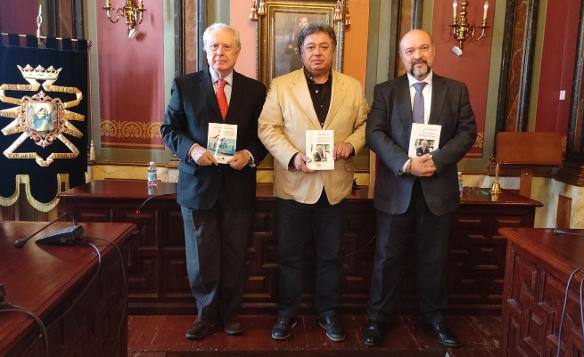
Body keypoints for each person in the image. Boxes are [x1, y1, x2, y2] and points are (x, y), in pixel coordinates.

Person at [363, 29, 476, 348]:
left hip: (438, 191)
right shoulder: (386, 91)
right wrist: (406, 163)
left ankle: (435, 319)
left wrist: (436, 160)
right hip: (396, 189)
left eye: (423, 48)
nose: (418, 56)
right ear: (402, 57)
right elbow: (374, 133)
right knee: (386, 259)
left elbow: (467, 132)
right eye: (410, 51)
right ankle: (377, 320)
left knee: (434, 259)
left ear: (433, 51)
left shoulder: (456, 91)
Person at [258, 23, 368, 342]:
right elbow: (267, 128)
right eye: (310, 47)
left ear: (333, 51)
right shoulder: (281, 86)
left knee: (331, 256)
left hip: (334, 187)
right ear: (301, 51)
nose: (317, 52)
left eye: (324, 46)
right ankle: (286, 314)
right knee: (289, 255)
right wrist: (292, 156)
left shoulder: (352, 86)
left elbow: (364, 125)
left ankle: (328, 313)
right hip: (294, 185)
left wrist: (351, 145)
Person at [160, 23, 267, 340]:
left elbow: (264, 137)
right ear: (205, 51)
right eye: (213, 47)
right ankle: (205, 316)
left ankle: (230, 314)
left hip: (238, 185)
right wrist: (192, 150)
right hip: (197, 186)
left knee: (235, 254)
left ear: (238, 51)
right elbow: (169, 130)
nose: (219, 52)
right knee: (201, 256)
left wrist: (249, 154)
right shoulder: (185, 85)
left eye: (226, 47)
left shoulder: (255, 90)